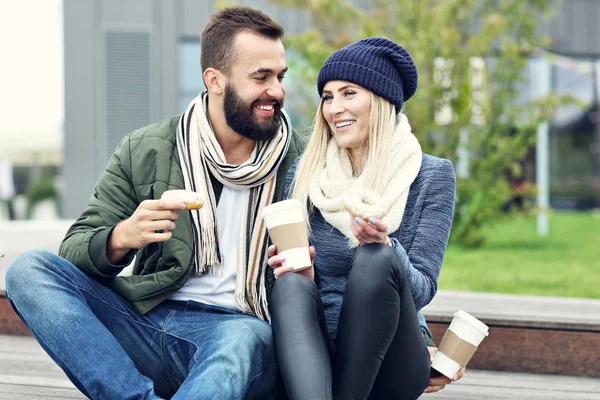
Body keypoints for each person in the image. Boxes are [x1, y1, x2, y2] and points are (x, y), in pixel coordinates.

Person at [5, 7, 306, 400]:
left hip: (237, 327)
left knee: (243, 339)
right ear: (215, 81)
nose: (276, 91)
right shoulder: (146, 148)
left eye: (280, 77)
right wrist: (122, 237)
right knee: (28, 270)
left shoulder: (301, 159)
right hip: (147, 316)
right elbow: (74, 248)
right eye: (260, 77)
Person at [267, 37, 459, 399]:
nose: (334, 108)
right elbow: (281, 283)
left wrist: (386, 245)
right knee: (290, 284)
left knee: (375, 257)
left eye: (349, 93)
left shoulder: (432, 176)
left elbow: (420, 292)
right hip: (318, 348)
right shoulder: (306, 174)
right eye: (328, 96)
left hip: (392, 356)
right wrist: (302, 273)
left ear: (382, 100)